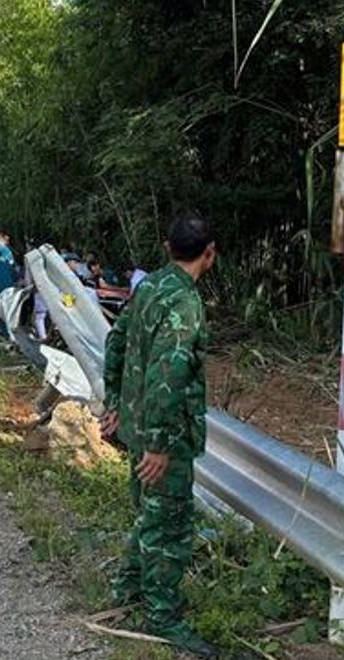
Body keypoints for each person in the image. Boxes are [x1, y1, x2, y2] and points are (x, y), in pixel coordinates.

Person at [100, 214, 217, 657]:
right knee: (169, 525)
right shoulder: (184, 303)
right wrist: (160, 444)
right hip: (161, 437)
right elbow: (167, 373)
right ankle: (163, 615)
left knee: (148, 515)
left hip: (136, 425)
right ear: (210, 252)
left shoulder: (148, 286)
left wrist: (114, 403)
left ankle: (126, 587)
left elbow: (116, 341)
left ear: (168, 248)